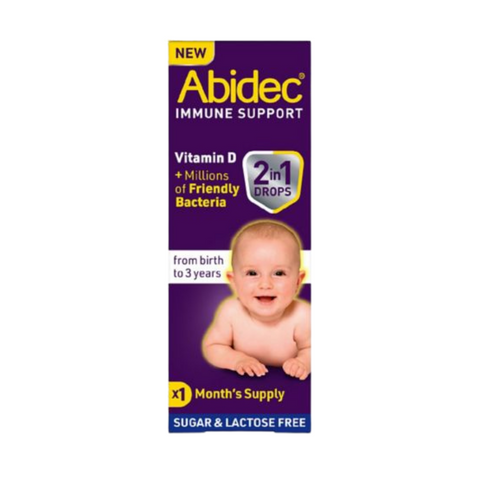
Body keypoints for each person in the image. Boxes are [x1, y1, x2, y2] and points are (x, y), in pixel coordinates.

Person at [202, 220, 311, 380]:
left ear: (297, 281)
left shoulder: (302, 315)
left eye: (279, 273)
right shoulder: (231, 312)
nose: (265, 284)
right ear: (234, 281)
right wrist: (237, 360)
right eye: (252, 273)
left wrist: (303, 362)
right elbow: (213, 347)